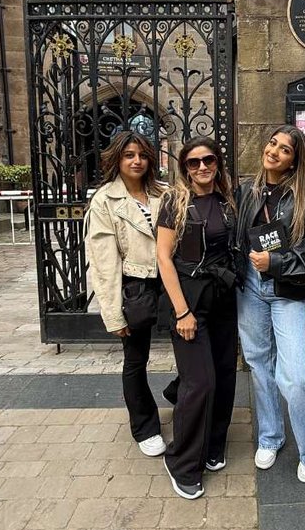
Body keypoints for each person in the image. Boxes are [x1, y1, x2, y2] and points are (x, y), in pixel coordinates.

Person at [235, 125, 305, 482]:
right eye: (272, 143)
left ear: (294, 160)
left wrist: (274, 263)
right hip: (250, 286)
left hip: (290, 289)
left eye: (285, 149)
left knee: (297, 374)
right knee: (259, 364)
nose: (274, 151)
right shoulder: (248, 190)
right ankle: (270, 436)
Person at [156, 137, 238, 500]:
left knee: (224, 375)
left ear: (217, 163)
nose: (202, 167)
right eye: (194, 162)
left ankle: (213, 444)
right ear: (185, 168)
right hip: (189, 299)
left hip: (223, 298)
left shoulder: (228, 200)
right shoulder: (174, 201)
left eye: (208, 160)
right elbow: (163, 257)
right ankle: (182, 462)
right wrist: (182, 311)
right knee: (200, 383)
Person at [85, 131, 168, 458]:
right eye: (129, 155)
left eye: (143, 155)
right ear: (117, 159)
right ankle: (145, 427)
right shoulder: (105, 201)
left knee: (194, 347)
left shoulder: (164, 193)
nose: (137, 161)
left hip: (172, 281)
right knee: (136, 359)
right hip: (135, 285)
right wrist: (113, 313)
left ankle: (181, 393)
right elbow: (104, 262)